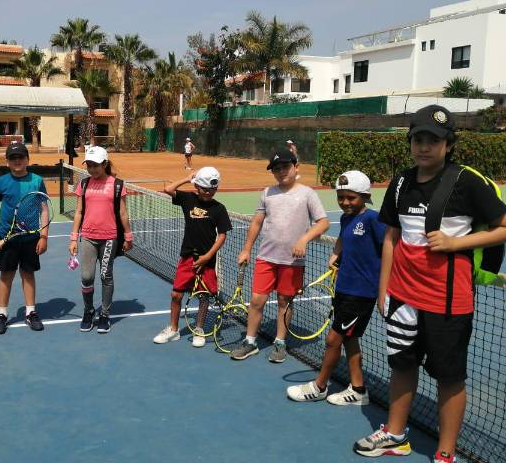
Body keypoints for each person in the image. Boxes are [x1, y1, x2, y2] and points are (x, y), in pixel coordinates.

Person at [352, 106, 506, 463]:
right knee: (401, 366)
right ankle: (395, 435)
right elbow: (391, 236)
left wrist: (456, 244)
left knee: (449, 379)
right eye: (418, 139)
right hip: (403, 299)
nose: (424, 147)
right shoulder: (402, 182)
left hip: (449, 303)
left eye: (433, 140)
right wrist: (383, 288)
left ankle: (446, 453)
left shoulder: (468, 182)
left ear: (448, 144)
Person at [286, 170, 385, 405]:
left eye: (351, 198)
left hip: (362, 294)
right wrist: (336, 253)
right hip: (344, 288)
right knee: (350, 338)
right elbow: (343, 237)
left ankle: (320, 386)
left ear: (364, 196)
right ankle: (358, 390)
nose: (345, 202)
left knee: (333, 339)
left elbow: (390, 249)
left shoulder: (374, 220)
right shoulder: (346, 218)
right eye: (341, 197)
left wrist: (385, 287)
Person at [232, 148, 329, 363]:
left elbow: (323, 223)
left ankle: (280, 342)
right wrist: (247, 248)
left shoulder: (308, 194)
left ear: (296, 167)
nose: (281, 171)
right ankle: (250, 341)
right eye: (276, 168)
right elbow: (257, 222)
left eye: (285, 166)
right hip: (266, 258)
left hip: (292, 262)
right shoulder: (267, 193)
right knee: (257, 301)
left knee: (285, 301)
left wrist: (304, 239)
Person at [153, 167, 232, 347]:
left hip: (207, 261)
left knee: (204, 297)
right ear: (197, 186)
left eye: (212, 189)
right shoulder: (188, 199)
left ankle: (199, 329)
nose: (208, 192)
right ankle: (173, 330)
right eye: (205, 189)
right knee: (176, 295)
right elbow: (168, 189)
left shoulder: (219, 209)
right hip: (187, 257)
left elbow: (222, 236)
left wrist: (208, 256)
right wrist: (187, 179)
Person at [69, 146, 133, 333]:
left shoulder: (117, 185)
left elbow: (122, 213)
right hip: (88, 237)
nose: (92, 169)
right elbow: (79, 211)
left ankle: (105, 314)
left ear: (105, 164)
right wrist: (73, 238)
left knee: (106, 276)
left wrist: (128, 236)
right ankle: (88, 311)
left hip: (110, 238)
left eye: (95, 165)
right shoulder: (84, 184)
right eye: (89, 165)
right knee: (87, 277)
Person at [0, 141, 49, 335]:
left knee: (28, 274)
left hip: (31, 238)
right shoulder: (1, 182)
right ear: (7, 162)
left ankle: (31, 312)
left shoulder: (37, 180)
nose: (17, 161)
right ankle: (2, 315)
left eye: (21, 157)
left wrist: (44, 236)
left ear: (27, 159)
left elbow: (44, 208)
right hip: (8, 238)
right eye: (13, 158)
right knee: (6, 276)